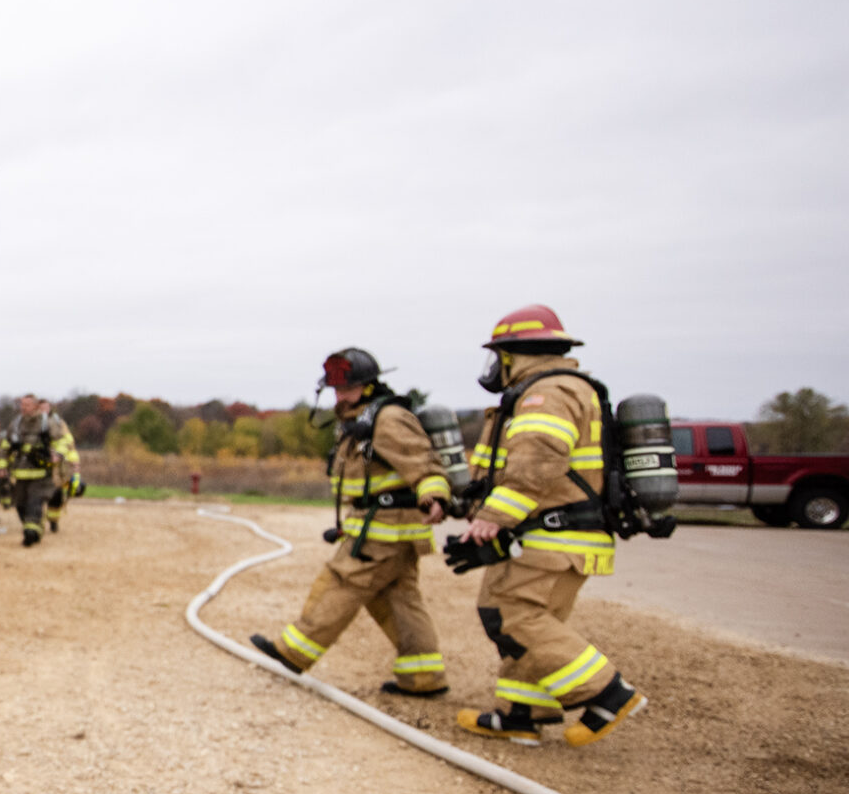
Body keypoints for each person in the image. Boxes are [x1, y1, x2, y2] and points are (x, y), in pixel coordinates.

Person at [451, 306, 646, 746]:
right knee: (533, 618)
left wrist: (493, 517)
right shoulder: (564, 388)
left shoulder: (547, 393)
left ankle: (608, 693)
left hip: (551, 533)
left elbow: (539, 459)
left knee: (509, 614)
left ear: (512, 355)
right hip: (559, 532)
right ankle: (522, 714)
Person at [247, 349, 449, 693]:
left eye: (347, 389)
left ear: (368, 386)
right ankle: (423, 675)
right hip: (387, 526)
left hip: (385, 527)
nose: (340, 396)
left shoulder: (387, 419)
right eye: (336, 390)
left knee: (340, 583)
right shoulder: (362, 420)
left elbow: (423, 461)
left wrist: (435, 494)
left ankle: (294, 651)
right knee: (398, 599)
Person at [5, 394, 80, 548]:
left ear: (35, 406)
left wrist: (57, 455)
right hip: (20, 473)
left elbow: (62, 441)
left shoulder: (49, 423)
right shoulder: (16, 423)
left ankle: (32, 534)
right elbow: (6, 445)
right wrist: (2, 465)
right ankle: (34, 529)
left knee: (35, 502)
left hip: (42, 473)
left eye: (26, 405)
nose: (23, 408)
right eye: (21, 404)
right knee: (20, 505)